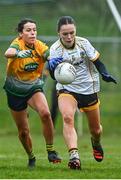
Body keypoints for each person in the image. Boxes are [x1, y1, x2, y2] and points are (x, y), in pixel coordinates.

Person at [48, 16, 117, 170]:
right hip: (67, 88)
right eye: (65, 33)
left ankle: (96, 142)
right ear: (58, 33)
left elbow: (98, 63)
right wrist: (52, 68)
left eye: (71, 32)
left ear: (75, 31)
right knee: (67, 117)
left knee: (96, 130)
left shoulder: (84, 43)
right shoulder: (55, 49)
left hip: (88, 89)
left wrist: (104, 74)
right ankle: (74, 156)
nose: (69, 36)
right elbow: (54, 76)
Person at [3, 18, 62, 168]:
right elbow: (8, 52)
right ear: (21, 34)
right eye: (28, 30)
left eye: (34, 30)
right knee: (23, 131)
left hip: (33, 87)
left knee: (46, 113)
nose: (32, 33)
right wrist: (17, 54)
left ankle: (51, 151)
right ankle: (31, 156)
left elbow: (48, 54)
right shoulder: (17, 44)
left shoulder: (39, 45)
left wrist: (52, 60)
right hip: (14, 90)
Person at [42, 63, 58, 127]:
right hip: (58, 86)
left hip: (73, 86)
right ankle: (51, 127)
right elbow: (46, 71)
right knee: (54, 107)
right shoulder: (54, 54)